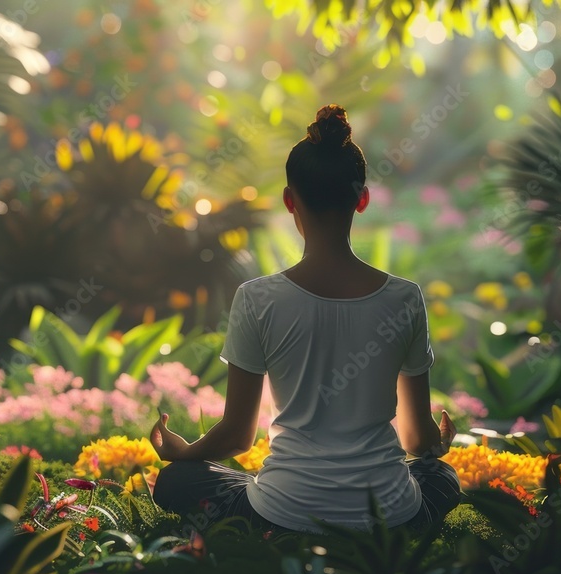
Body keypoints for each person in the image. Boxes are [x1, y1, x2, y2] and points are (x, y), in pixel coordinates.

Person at [150, 104, 462, 534]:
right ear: (362, 199)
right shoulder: (405, 299)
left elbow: (237, 436)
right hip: (390, 518)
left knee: (176, 482)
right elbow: (416, 441)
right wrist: (437, 443)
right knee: (442, 477)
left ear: (288, 200)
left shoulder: (256, 299)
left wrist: (184, 454)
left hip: (283, 512)